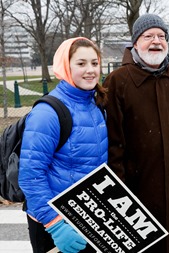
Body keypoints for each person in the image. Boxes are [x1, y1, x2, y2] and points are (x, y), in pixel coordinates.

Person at [102, 14, 169, 253]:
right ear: (135, 43)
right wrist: (120, 193)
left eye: (162, 36)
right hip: (138, 190)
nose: (156, 41)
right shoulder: (118, 81)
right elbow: (113, 142)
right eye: (148, 36)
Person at [18, 37, 108, 253]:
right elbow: (30, 176)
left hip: (88, 219)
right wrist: (56, 225)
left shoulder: (96, 106)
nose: (90, 70)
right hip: (55, 226)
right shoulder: (48, 113)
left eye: (94, 63)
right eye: (81, 63)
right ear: (65, 67)